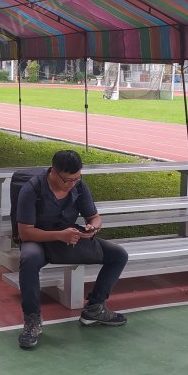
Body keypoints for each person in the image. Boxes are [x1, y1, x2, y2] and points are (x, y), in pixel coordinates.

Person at [15, 150, 129, 349]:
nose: (72, 184)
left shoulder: (79, 186)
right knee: (29, 258)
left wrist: (93, 228)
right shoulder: (31, 189)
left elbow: (94, 217)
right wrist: (59, 235)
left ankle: (95, 308)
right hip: (39, 239)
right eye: (68, 180)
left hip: (68, 237)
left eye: (77, 178)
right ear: (54, 172)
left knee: (118, 255)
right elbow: (25, 233)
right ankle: (32, 320)